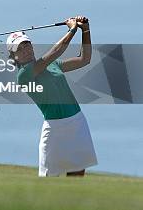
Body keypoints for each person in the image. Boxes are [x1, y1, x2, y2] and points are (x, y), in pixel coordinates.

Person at [6, 16, 97, 177]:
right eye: (20, 48)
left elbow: (85, 59)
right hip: (55, 128)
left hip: (77, 121)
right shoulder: (24, 75)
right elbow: (56, 51)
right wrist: (72, 30)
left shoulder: (52, 65)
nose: (26, 49)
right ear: (14, 56)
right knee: (49, 177)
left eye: (27, 44)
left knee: (77, 172)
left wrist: (85, 30)